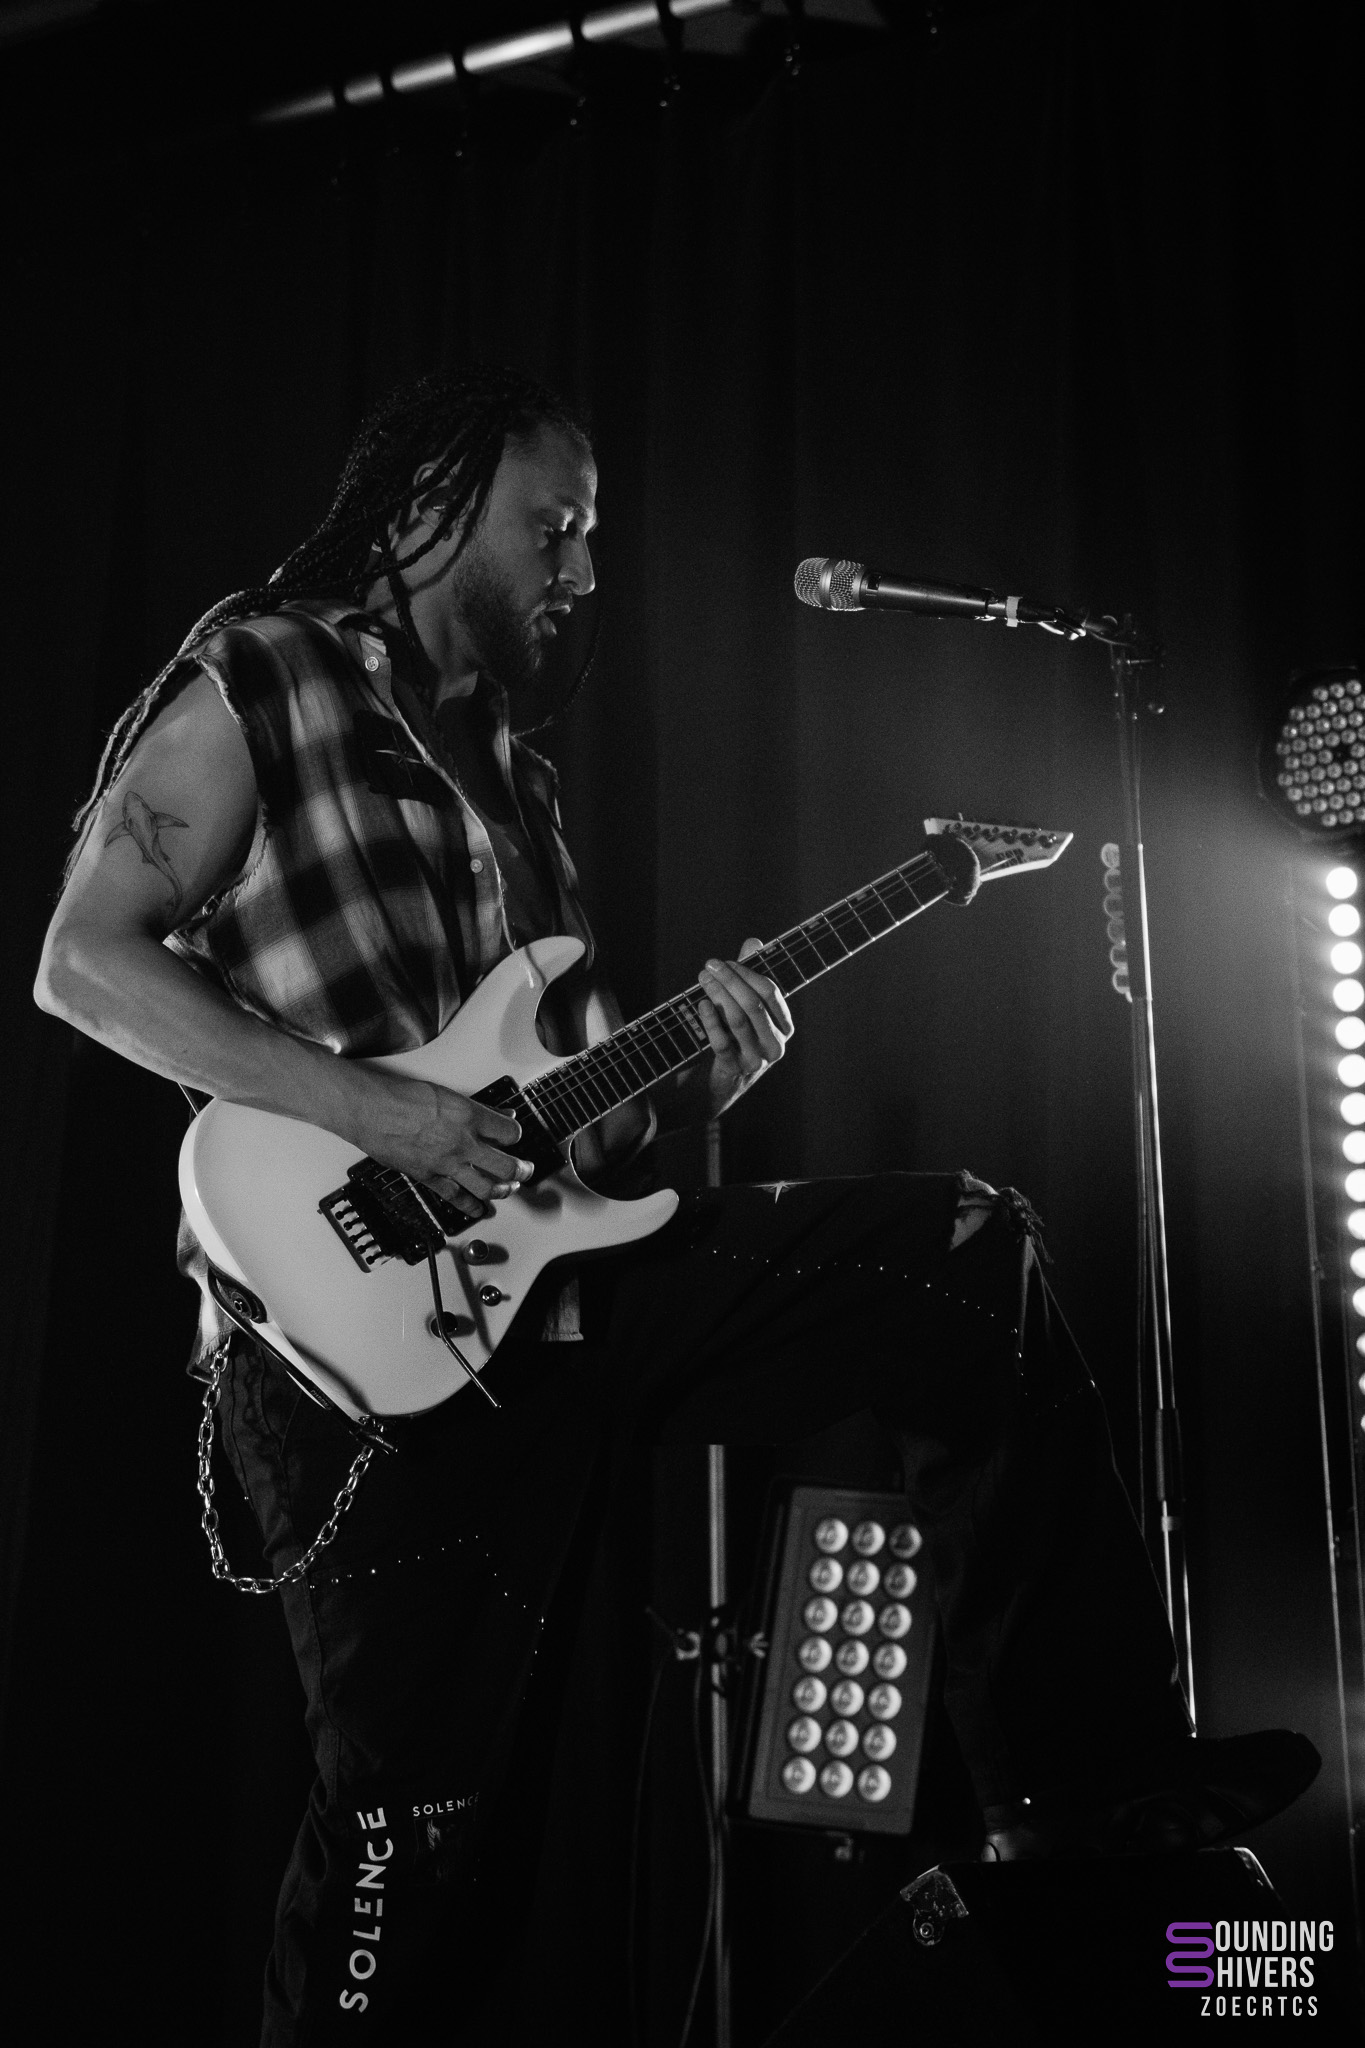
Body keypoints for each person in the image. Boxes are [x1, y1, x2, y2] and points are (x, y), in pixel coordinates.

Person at [35, 366, 1317, 2042]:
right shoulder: (266, 672)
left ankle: (1086, 1804)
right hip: (335, 1351)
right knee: (420, 1840)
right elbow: (83, 964)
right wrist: (381, 1112)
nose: (581, 571)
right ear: (427, 512)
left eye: (590, 536)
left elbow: (568, 1150)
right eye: (552, 528)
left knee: (962, 1257)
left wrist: (696, 1081)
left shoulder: (518, 780)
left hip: (546, 1312)